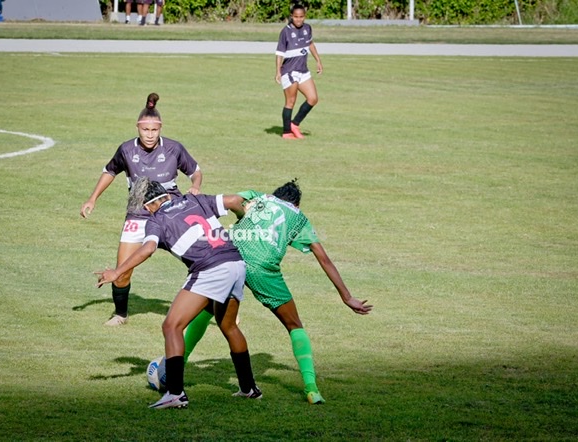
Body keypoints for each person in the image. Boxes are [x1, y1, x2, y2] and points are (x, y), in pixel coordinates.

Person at [183, 179, 372, 404]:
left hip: (230, 258)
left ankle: (174, 368)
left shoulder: (258, 197)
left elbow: (230, 202)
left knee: (209, 309)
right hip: (262, 269)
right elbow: (324, 259)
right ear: (296, 204)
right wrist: (347, 297)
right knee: (294, 325)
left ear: (276, 195)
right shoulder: (299, 218)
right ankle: (311, 389)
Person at [96, 178, 262, 409]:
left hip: (210, 269)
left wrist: (117, 272)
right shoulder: (195, 199)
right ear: (165, 194)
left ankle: (175, 394)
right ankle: (249, 388)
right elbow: (235, 200)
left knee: (171, 326)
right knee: (228, 325)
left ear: (148, 205)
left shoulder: (156, 219)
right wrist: (244, 219)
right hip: (235, 262)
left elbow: (148, 248)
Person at [80, 92, 202, 326]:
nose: (150, 134)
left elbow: (196, 171)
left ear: (160, 128)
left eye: (154, 130)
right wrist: (92, 199)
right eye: (145, 130)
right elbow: (109, 171)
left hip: (171, 215)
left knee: (202, 261)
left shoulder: (174, 149)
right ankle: (120, 315)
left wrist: (195, 185)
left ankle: (222, 306)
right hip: (138, 215)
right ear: (138, 127)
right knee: (122, 271)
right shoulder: (126, 150)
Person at [275, 4, 323, 140]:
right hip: (289, 71)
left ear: (305, 16)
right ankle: (286, 132)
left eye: (301, 17)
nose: (298, 19)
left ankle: (294, 124)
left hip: (303, 70)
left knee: (313, 99)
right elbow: (279, 53)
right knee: (290, 101)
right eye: (296, 17)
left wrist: (318, 60)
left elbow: (310, 44)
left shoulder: (307, 28)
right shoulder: (286, 31)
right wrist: (278, 72)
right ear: (291, 16)